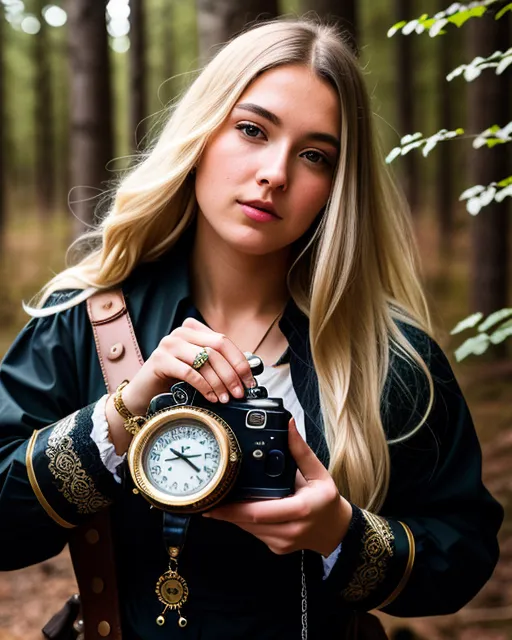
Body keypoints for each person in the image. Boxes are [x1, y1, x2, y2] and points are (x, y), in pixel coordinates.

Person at [0, 17, 503, 640]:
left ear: (337, 186)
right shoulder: (87, 321)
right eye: (251, 130)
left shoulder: (390, 357)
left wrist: (340, 535)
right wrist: (121, 415)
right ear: (203, 133)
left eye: (315, 154)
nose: (276, 173)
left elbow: (462, 557)